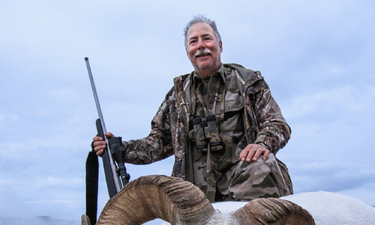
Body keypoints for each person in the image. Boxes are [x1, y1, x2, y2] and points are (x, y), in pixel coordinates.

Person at [93, 15, 293, 202]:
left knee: (261, 166)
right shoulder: (177, 95)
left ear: (219, 45)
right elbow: (159, 142)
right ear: (187, 51)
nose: (201, 46)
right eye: (193, 41)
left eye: (206, 38)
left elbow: (277, 124)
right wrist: (120, 149)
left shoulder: (249, 82)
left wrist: (263, 144)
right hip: (195, 198)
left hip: (245, 192)